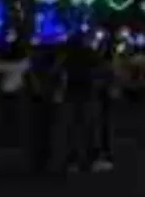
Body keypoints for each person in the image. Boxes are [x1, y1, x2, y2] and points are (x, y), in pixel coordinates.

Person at [63, 32, 98, 172]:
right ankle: (89, 158)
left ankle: (73, 158)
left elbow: (61, 71)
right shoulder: (89, 53)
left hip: (72, 91)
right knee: (87, 126)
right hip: (86, 91)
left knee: (73, 127)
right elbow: (96, 68)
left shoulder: (68, 55)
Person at [27, 44, 62, 174]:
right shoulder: (52, 70)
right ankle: (44, 160)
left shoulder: (37, 69)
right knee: (46, 132)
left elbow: (35, 86)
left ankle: (41, 160)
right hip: (47, 102)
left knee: (40, 132)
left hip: (41, 102)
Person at [91, 37, 116, 172]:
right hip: (98, 99)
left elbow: (111, 82)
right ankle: (100, 155)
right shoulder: (100, 65)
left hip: (103, 99)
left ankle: (103, 156)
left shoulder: (106, 65)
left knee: (103, 128)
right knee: (99, 127)